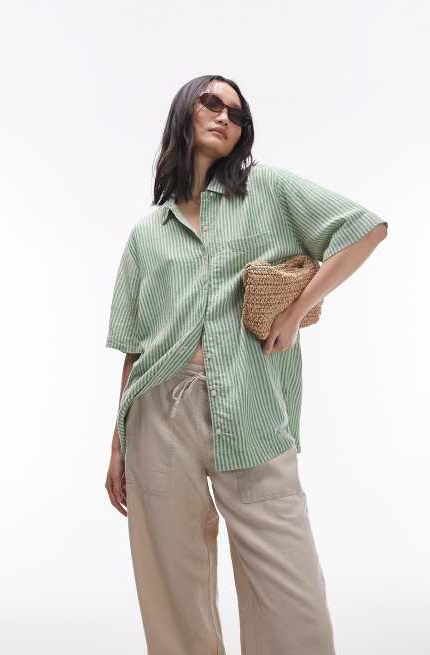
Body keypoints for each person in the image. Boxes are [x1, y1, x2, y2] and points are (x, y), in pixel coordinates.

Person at [104, 74, 388, 655]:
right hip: (157, 415)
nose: (224, 117)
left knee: (291, 594)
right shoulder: (146, 235)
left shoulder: (269, 189)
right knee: (172, 582)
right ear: (183, 111)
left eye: (237, 114)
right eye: (212, 102)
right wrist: (118, 444)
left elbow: (364, 228)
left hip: (251, 403)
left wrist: (297, 310)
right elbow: (134, 345)